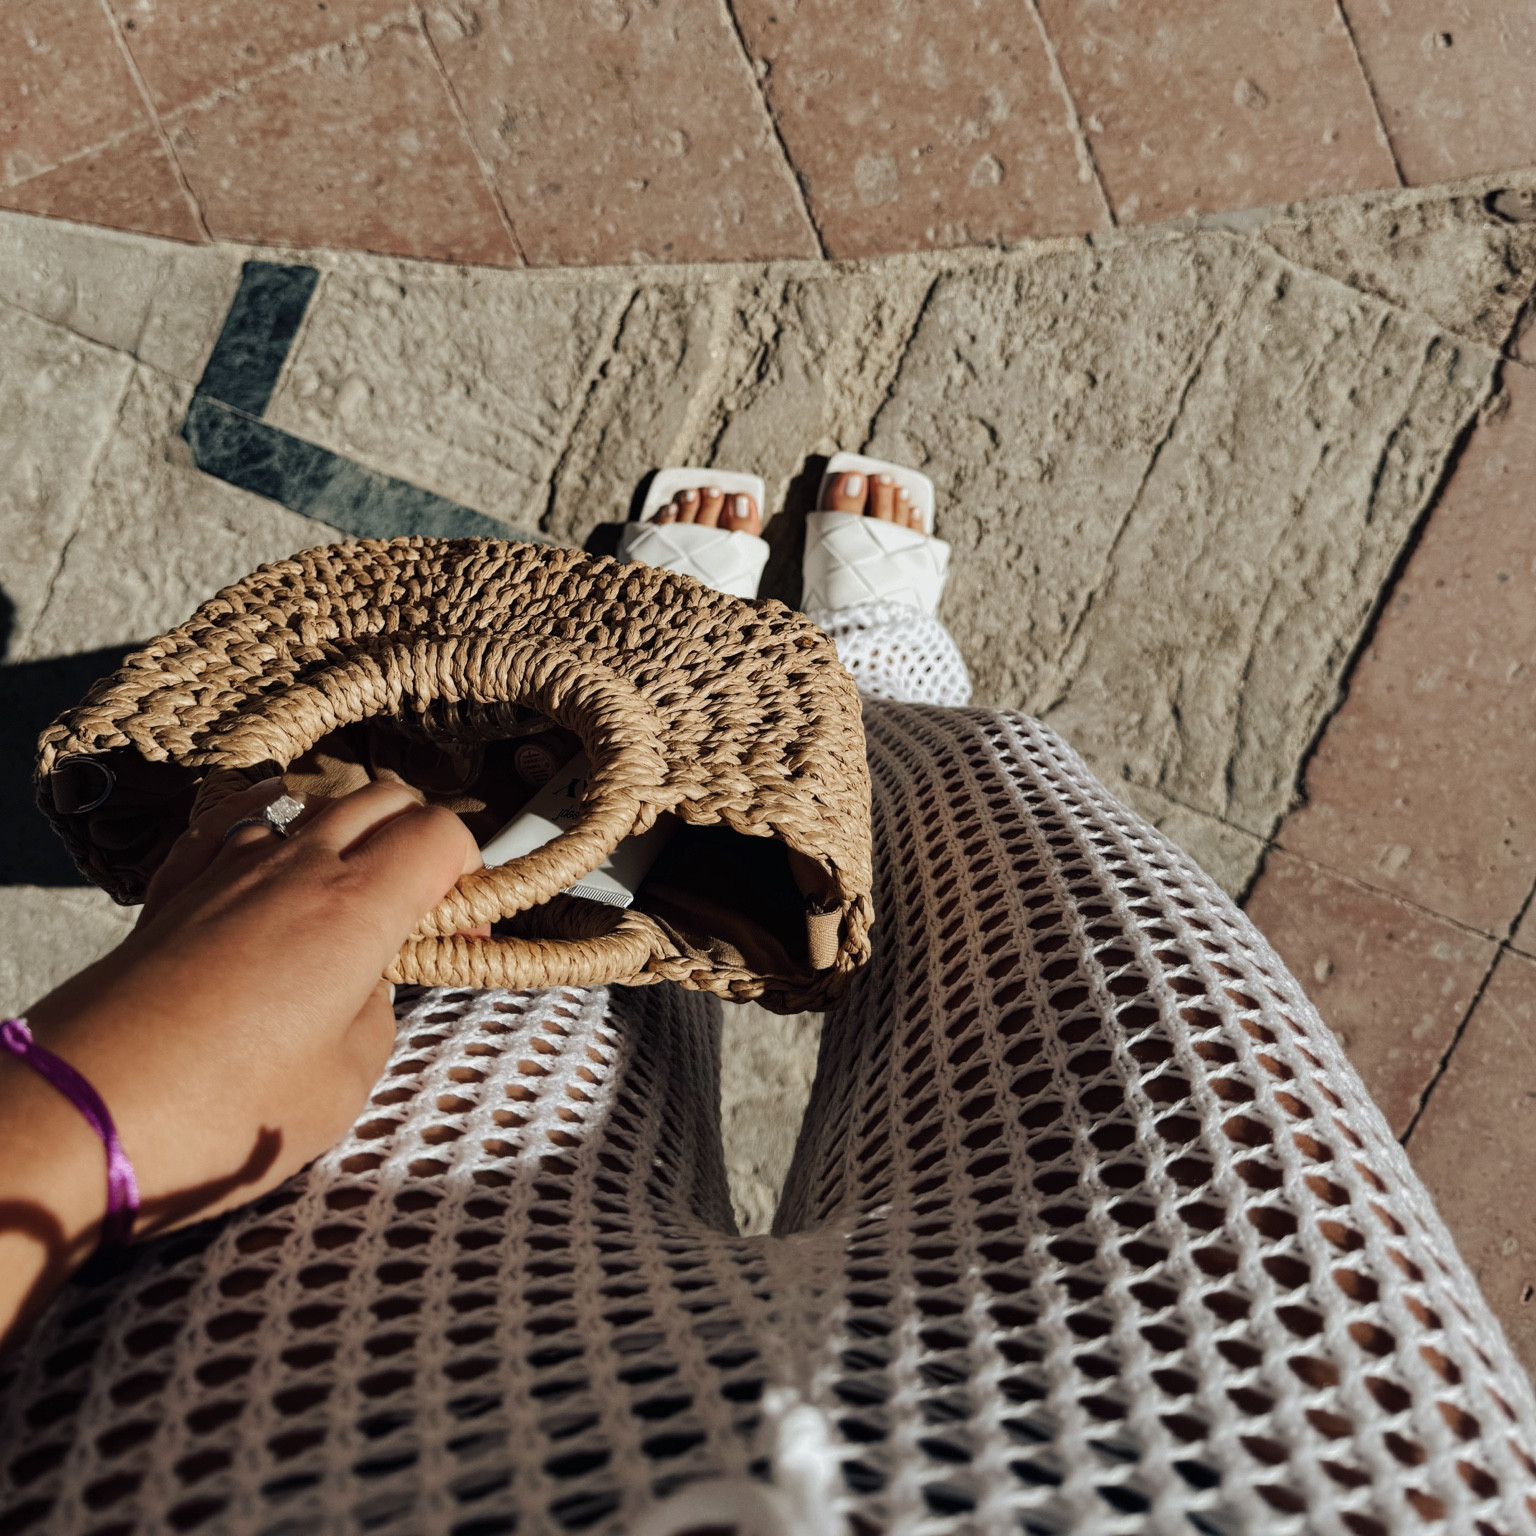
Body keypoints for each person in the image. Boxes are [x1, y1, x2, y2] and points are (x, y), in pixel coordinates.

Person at [2, 462, 1534, 1536]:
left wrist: (89, 1104)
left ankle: (675, 710)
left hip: (268, 1455)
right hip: (1226, 1469)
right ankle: (876, 689)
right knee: (998, 821)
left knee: (546, 947)